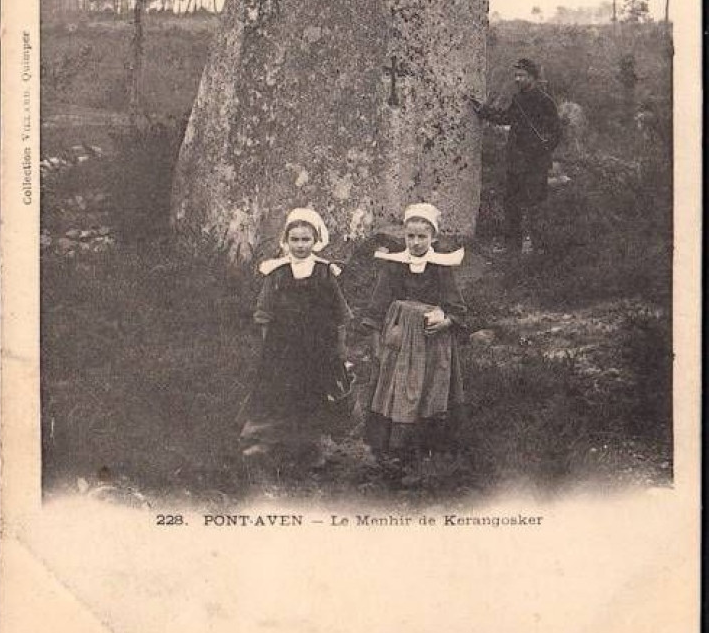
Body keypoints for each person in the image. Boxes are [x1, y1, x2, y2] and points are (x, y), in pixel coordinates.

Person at [240, 207, 353, 473]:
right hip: (283, 346)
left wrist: (339, 345)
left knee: (314, 390)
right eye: (295, 240)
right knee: (279, 389)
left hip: (317, 346)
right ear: (286, 241)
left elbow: (339, 312)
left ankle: (310, 445)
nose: (300, 246)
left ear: (315, 241)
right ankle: (272, 442)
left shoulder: (325, 272)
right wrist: (271, 344)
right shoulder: (277, 273)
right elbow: (264, 310)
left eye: (306, 240)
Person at [362, 203, 467, 480]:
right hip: (399, 340)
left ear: (433, 237)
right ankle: (392, 449)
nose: (416, 242)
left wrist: (444, 320)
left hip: (431, 342)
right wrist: (377, 337)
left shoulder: (441, 268)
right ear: (404, 237)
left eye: (422, 236)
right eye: (411, 236)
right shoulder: (395, 266)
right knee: (396, 389)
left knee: (429, 389)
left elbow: (455, 306)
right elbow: (378, 303)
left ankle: (426, 448)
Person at [470, 57, 561, 255]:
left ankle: (539, 248)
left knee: (535, 205)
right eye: (516, 75)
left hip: (535, 165)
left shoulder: (546, 102)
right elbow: (506, 117)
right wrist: (483, 111)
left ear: (533, 78)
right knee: (511, 204)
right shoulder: (518, 99)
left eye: (522, 75)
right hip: (516, 163)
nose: (517, 79)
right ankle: (512, 247)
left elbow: (555, 134)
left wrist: (540, 150)